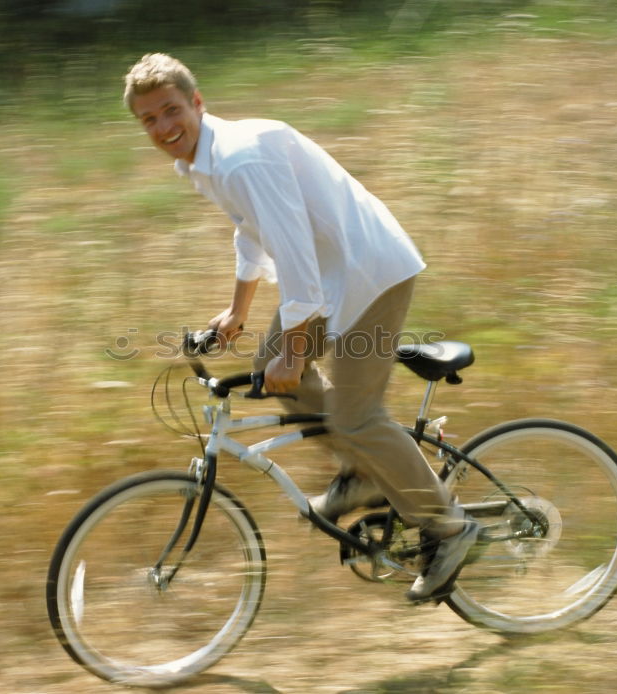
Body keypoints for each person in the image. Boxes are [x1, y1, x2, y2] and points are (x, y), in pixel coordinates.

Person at [124, 53, 478, 601]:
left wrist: (295, 349)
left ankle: (448, 527)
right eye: (149, 120)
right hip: (332, 273)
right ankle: (362, 473)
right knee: (270, 368)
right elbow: (252, 231)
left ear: (197, 103)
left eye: (171, 110)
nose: (164, 128)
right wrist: (238, 311)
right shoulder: (200, 162)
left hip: (368, 271)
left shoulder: (239, 160)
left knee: (355, 415)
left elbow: (295, 259)